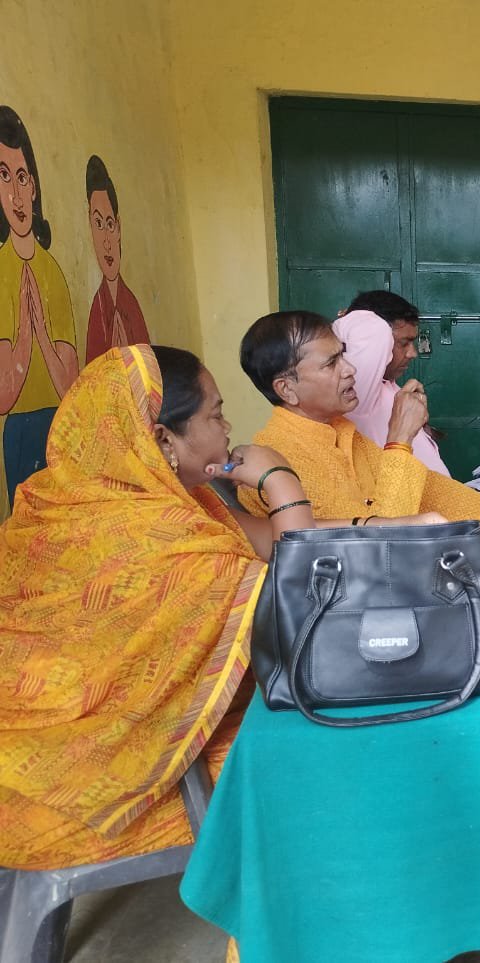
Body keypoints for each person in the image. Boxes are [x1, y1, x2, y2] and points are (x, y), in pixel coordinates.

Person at [0, 344, 320, 868]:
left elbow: (273, 543)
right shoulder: (161, 541)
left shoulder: (79, 498)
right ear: (163, 439)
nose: (227, 428)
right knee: (345, 736)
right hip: (88, 773)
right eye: (215, 415)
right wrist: (280, 480)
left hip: (36, 749)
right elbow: (301, 607)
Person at [239, 310, 480, 529]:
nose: (350, 369)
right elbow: (381, 544)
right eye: (331, 363)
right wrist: (400, 439)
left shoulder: (339, 431)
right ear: (287, 389)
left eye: (342, 356)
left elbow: (432, 492)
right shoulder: (283, 455)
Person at [0, 105, 78, 508]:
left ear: (33, 187)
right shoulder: (1, 269)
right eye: (2, 176)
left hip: (61, 426)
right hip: (19, 429)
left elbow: (71, 387)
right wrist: (25, 335)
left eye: (21, 176)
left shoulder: (53, 274)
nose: (15, 194)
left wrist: (42, 336)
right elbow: (3, 395)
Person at [333, 303, 450, 476]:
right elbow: (374, 329)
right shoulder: (360, 393)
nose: (412, 353)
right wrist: (352, 316)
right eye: (403, 343)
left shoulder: (389, 386)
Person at [84, 154, 151, 364]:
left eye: (110, 224)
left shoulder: (132, 306)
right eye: (98, 224)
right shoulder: (97, 310)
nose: (106, 242)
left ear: (119, 228)